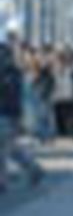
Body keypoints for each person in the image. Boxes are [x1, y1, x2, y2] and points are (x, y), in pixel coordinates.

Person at [0, 41, 43, 191]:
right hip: (9, 115)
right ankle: (33, 168)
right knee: (10, 149)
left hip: (6, 114)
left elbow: (14, 98)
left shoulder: (11, 74)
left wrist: (19, 118)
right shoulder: (13, 73)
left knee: (4, 148)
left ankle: (2, 181)